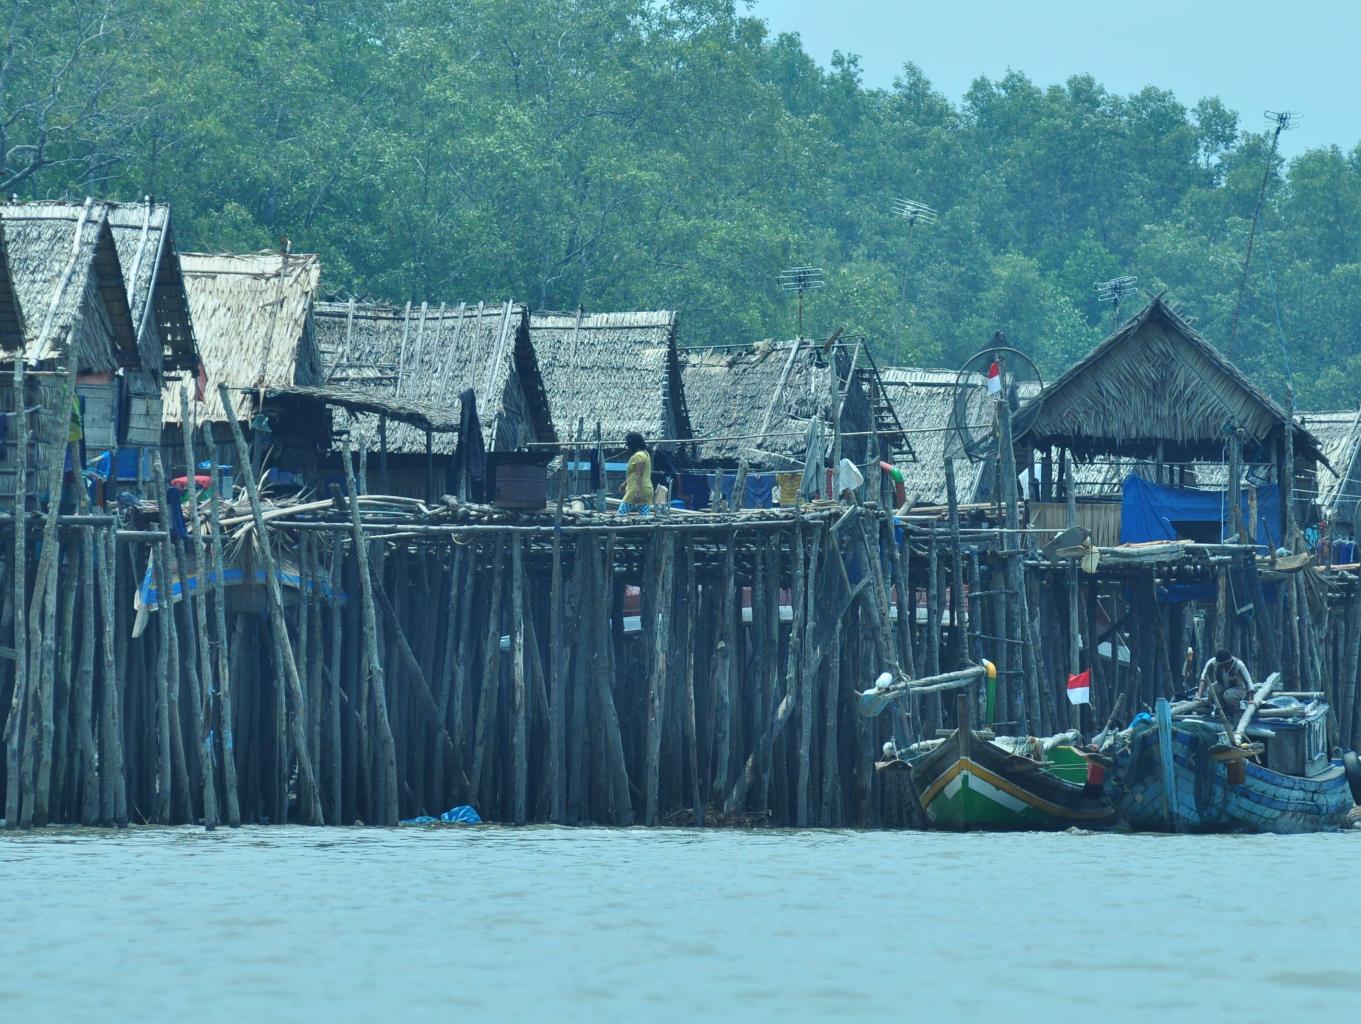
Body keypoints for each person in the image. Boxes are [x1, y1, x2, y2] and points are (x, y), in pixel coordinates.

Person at [618, 431, 653, 516]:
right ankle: (647, 529)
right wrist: (625, 484)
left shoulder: (638, 456)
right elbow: (636, 473)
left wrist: (637, 492)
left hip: (635, 490)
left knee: (620, 515)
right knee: (645, 517)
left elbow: (639, 474)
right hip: (646, 490)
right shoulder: (645, 453)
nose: (628, 448)